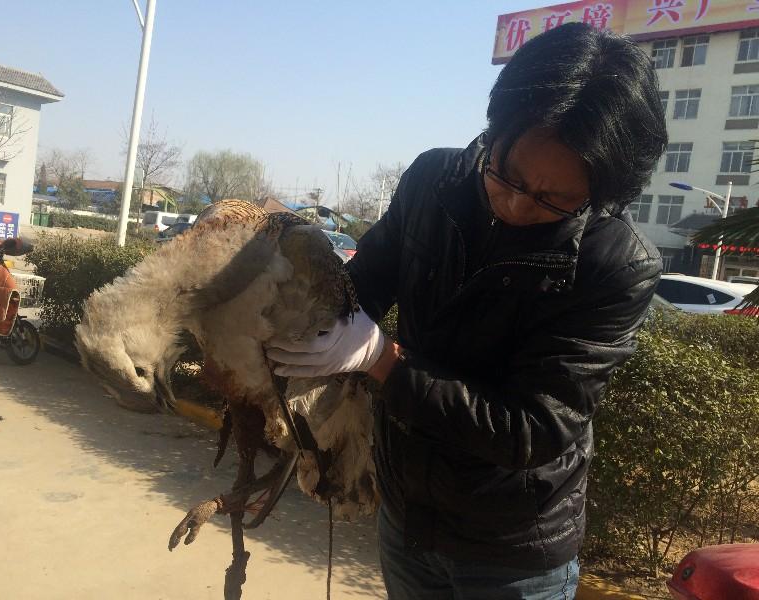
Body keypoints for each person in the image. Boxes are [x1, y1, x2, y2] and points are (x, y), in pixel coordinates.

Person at [267, 22, 667, 599]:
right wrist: (290, 307)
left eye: (554, 199)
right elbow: (361, 288)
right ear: (495, 128)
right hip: (405, 515)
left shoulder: (616, 265)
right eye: (506, 173)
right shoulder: (434, 180)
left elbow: (534, 428)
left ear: (603, 193)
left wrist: (383, 360)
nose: (516, 205)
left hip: (513, 550)